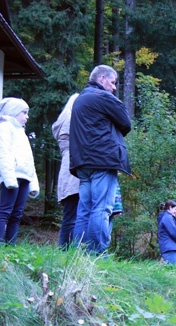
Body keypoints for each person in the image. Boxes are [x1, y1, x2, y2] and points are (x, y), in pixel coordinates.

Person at [69, 65, 131, 255]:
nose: (114, 88)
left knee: (84, 210)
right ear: (102, 78)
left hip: (82, 162)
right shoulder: (102, 97)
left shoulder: (79, 100)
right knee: (102, 209)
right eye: (112, 82)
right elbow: (126, 122)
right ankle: (97, 254)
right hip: (103, 161)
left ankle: (78, 253)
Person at [0, 98, 39, 245]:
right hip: (12, 177)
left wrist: (33, 183)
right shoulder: (3, 128)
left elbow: (30, 161)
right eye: (24, 112)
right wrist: (9, 178)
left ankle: (11, 247)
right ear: (13, 111)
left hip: (24, 178)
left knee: (17, 214)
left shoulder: (21, 133)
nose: (27, 116)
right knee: (5, 211)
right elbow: (2, 154)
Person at [52, 93, 80, 249]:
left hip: (68, 170)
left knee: (71, 215)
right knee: (71, 215)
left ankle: (66, 251)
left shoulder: (65, 120)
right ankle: (65, 251)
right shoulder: (71, 120)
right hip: (73, 170)